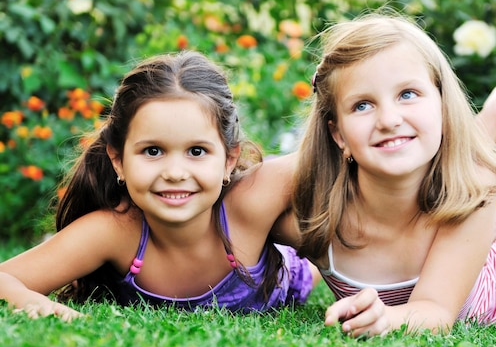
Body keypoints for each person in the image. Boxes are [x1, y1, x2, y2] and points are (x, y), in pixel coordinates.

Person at [291, 12, 496, 337]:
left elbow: (436, 310)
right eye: (362, 105)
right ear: (338, 135)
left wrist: (386, 319)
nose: (388, 119)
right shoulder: (316, 204)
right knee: (463, 169)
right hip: (451, 193)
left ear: (443, 105)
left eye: (406, 94)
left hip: (489, 275)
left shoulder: (473, 201)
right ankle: (495, 116)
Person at [0, 50, 315, 321]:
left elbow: (333, 163)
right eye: (153, 151)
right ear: (118, 160)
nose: (175, 173)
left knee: (314, 240)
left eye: (196, 151)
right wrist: (37, 304)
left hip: (290, 270)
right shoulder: (116, 231)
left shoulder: (251, 199)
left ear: (229, 160)